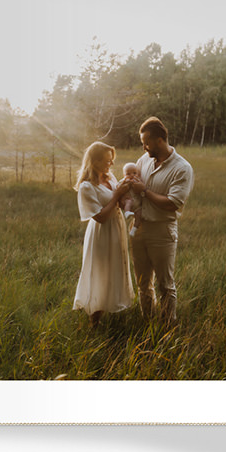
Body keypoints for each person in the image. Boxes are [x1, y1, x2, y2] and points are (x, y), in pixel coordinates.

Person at [128, 117, 195, 326]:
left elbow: (172, 203)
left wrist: (145, 191)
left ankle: (167, 327)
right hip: (138, 230)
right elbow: (134, 188)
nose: (144, 147)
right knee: (143, 283)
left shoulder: (182, 168)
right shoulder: (143, 160)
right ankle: (146, 322)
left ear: (159, 140)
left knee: (165, 285)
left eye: (146, 142)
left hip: (162, 231)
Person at [73, 141, 135, 327]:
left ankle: (108, 307)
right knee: (100, 271)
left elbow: (118, 201)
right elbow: (99, 217)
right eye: (108, 161)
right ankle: (94, 319)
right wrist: (117, 196)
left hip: (116, 228)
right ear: (95, 161)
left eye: (111, 160)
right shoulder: (86, 186)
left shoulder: (109, 177)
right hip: (102, 231)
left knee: (113, 268)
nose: (111, 164)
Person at [120, 161, 142, 237]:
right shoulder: (124, 181)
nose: (132, 175)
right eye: (128, 174)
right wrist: (124, 182)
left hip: (138, 204)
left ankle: (134, 229)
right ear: (124, 175)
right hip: (129, 199)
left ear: (138, 174)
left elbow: (142, 187)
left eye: (134, 173)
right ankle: (127, 212)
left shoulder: (138, 181)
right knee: (128, 202)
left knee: (139, 215)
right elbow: (118, 187)